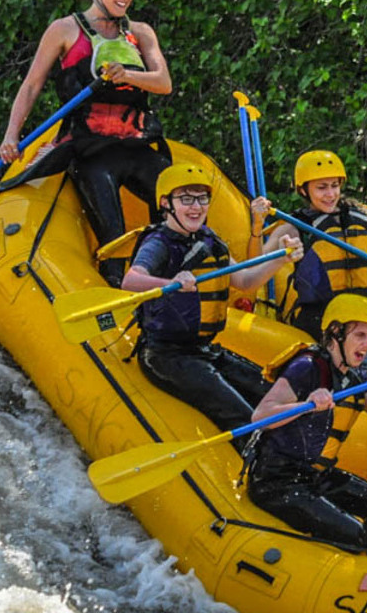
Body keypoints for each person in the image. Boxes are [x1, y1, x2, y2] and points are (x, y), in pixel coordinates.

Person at [0, 0, 172, 287]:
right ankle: (113, 284)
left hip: (135, 146)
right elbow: (32, 85)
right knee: (114, 231)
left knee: (177, 206)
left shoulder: (141, 33)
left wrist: (129, 76)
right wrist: (11, 135)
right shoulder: (64, 30)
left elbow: (163, 83)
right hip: (89, 148)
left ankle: (167, 283)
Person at [123, 163, 303, 437]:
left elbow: (244, 282)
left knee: (272, 394)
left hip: (205, 350)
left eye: (201, 199)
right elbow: (131, 281)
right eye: (186, 199)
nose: (196, 207)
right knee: (244, 417)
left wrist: (281, 258)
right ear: (165, 203)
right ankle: (261, 470)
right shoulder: (159, 243)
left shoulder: (209, 240)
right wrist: (169, 284)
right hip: (166, 356)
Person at [244, 294, 367, 552]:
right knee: (354, 533)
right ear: (336, 332)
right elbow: (260, 417)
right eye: (360, 335)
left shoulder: (352, 380)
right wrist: (305, 403)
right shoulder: (306, 367)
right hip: (277, 479)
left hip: (315, 476)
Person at [263, 150, 367, 339]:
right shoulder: (293, 228)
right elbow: (253, 268)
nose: (330, 194)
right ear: (303, 190)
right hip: (319, 323)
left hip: (364, 318)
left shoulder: (363, 216)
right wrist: (257, 226)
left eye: (334, 186)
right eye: (321, 187)